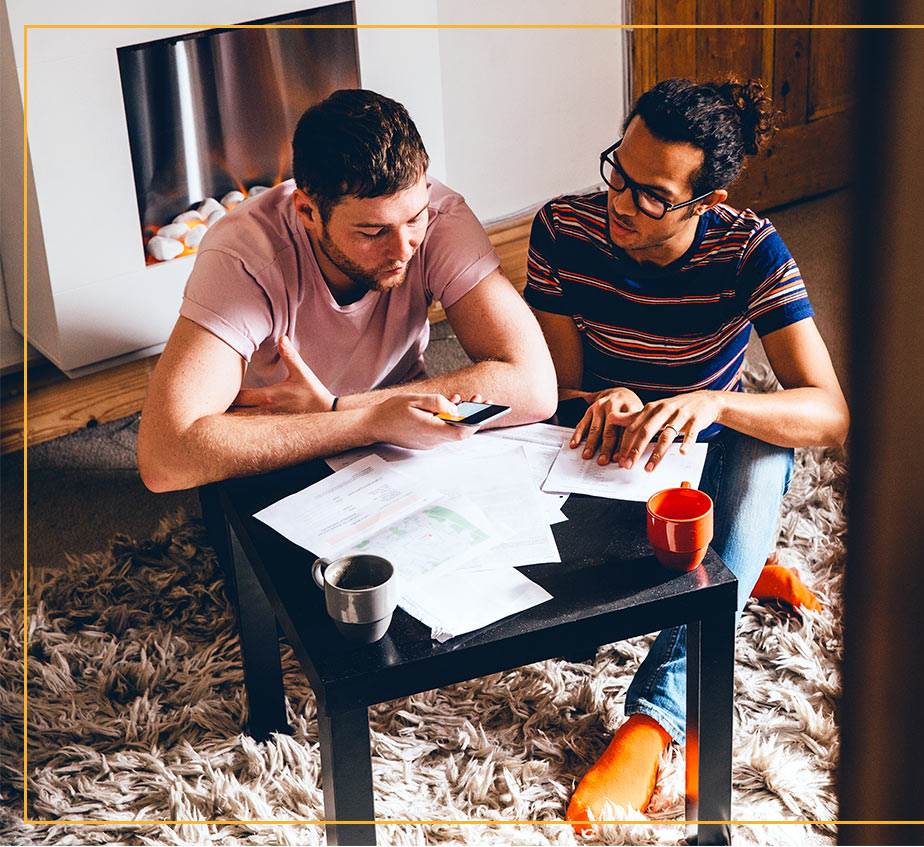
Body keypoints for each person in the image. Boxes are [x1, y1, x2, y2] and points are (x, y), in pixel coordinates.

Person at [524, 77, 849, 831]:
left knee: (767, 455)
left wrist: (715, 403)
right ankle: (737, 560)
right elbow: (554, 395)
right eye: (619, 174)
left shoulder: (750, 249)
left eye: (652, 196)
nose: (621, 202)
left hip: (701, 464)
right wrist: (595, 402)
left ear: (708, 203)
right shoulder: (561, 232)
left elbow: (829, 413)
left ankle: (650, 725)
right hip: (603, 453)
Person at [137, 89, 556, 492]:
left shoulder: (441, 216)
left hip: (404, 439)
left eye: (414, 219)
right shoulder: (245, 254)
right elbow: (166, 458)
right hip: (274, 443)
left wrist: (342, 409)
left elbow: (535, 386)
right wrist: (367, 421)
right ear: (307, 211)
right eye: (373, 232)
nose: (402, 249)